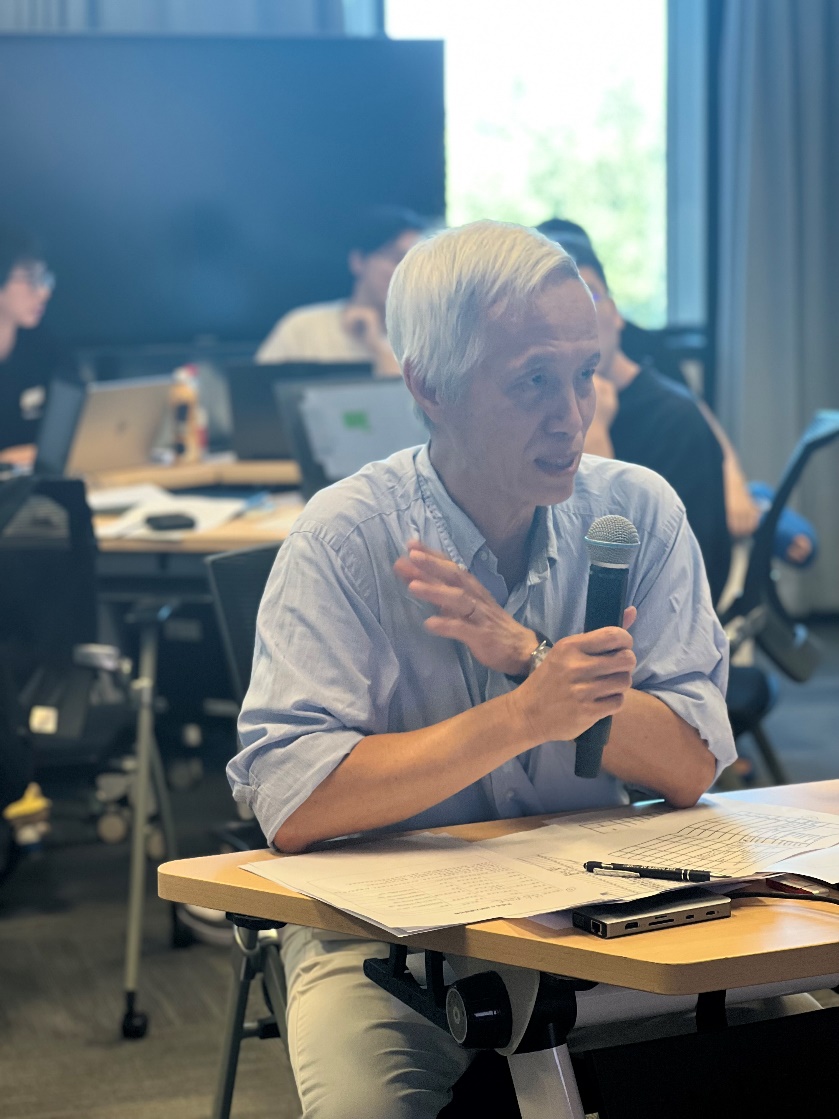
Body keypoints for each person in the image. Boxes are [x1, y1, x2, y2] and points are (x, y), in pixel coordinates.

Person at [229, 220, 734, 1119]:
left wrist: (527, 656)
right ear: (428, 385)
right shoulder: (345, 538)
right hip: (383, 937)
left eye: (584, 373)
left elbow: (691, 764)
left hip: (589, 915)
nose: (570, 415)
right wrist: (522, 714)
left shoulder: (633, 512)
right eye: (532, 380)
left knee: (790, 1034)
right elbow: (295, 803)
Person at [535, 219, 732, 605]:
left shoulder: (675, 419)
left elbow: (688, 580)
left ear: (616, 312)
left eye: (589, 296)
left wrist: (594, 444)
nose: (573, 319)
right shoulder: (531, 414)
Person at [256, 205, 427, 375]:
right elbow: (255, 386)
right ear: (358, 261)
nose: (406, 272)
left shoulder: (424, 338)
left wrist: (378, 346)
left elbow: (410, 393)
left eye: (415, 264)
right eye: (396, 259)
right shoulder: (303, 329)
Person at [0, 225, 72, 466]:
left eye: (45, 279)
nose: (43, 292)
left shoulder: (44, 346)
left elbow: (72, 425)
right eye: (31, 279)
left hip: (36, 480)